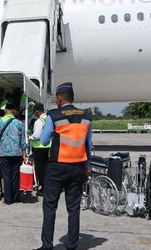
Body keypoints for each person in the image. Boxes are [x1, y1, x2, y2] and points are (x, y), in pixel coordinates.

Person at [35, 82, 92, 250]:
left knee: (50, 207)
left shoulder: (54, 115)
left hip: (57, 168)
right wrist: (86, 167)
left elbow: (44, 140)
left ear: (60, 98)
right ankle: (72, 245)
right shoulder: (86, 116)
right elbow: (89, 145)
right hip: (78, 167)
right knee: (74, 208)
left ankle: (47, 245)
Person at [0, 103, 26, 205]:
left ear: (6, 111)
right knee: (15, 175)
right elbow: (23, 140)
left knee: (7, 175)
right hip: (17, 153)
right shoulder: (19, 123)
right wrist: (24, 153)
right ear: (13, 110)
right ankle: (16, 196)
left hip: (4, 153)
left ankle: (8, 199)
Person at [28, 103, 51, 196]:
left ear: (37, 111)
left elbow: (37, 136)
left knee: (40, 169)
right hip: (48, 146)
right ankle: (47, 187)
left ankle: (43, 189)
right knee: (46, 168)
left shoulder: (39, 121)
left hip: (39, 147)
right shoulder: (49, 119)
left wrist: (30, 137)